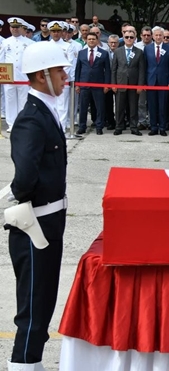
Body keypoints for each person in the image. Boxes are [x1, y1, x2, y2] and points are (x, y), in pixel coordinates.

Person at [5, 41, 71, 371]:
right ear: (42, 74)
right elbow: (25, 177)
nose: (65, 77)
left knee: (44, 298)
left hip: (49, 220)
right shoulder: (31, 119)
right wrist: (17, 200)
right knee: (33, 303)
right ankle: (21, 363)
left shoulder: (45, 111)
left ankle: (32, 360)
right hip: (35, 225)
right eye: (60, 70)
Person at [111, 28, 146, 136]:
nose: (129, 39)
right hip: (120, 82)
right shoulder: (118, 51)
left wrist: (140, 85)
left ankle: (134, 127)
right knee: (119, 107)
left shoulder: (139, 52)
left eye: (131, 37)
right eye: (127, 37)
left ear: (135, 38)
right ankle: (119, 126)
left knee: (133, 107)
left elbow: (141, 70)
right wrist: (113, 84)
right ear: (124, 38)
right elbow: (114, 69)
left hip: (133, 84)